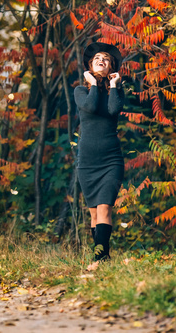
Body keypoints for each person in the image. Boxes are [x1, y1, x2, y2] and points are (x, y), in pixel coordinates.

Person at [74, 40, 125, 268]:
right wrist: (93, 83)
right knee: (94, 214)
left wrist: (114, 86)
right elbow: (92, 107)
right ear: (90, 66)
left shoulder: (117, 92)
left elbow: (113, 110)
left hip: (111, 160)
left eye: (105, 59)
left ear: (111, 66)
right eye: (96, 59)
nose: (101, 61)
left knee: (105, 208)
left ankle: (100, 259)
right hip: (87, 161)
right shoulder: (80, 91)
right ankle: (99, 255)